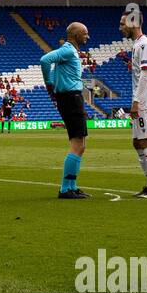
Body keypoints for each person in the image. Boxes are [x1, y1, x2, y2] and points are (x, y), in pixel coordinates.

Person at [40, 21, 91, 199]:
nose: (88, 36)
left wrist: (53, 82)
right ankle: (65, 188)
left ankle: (71, 185)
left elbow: (51, 64)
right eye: (85, 33)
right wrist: (49, 83)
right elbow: (45, 60)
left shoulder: (71, 51)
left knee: (81, 145)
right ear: (76, 35)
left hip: (70, 97)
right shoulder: (68, 50)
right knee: (77, 144)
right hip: (70, 98)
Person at [120, 10, 147, 197]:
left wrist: (137, 102)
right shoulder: (138, 45)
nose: (120, 27)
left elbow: (146, 74)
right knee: (137, 142)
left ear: (133, 23)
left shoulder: (144, 45)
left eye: (123, 24)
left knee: (145, 141)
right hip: (141, 101)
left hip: (146, 102)